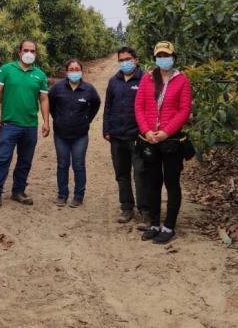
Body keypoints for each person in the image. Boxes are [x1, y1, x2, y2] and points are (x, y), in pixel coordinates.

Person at [0, 40, 50, 210]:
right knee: (2, 158)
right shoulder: (6, 69)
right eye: (26, 50)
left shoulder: (39, 74)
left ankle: (18, 191)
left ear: (36, 54)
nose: (29, 53)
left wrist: (46, 121)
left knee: (25, 161)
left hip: (30, 125)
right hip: (9, 124)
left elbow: (43, 98)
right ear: (19, 52)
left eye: (32, 51)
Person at [133, 41, 192, 244]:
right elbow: (139, 107)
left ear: (173, 57)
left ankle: (169, 226)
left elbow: (184, 110)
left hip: (171, 141)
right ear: (155, 58)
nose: (162, 58)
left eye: (166, 55)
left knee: (172, 183)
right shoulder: (147, 79)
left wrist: (166, 132)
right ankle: (155, 223)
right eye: (159, 55)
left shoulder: (181, 80)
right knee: (153, 183)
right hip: (149, 139)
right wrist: (147, 131)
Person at [103, 46, 149, 226]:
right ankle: (126, 207)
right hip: (117, 136)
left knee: (141, 174)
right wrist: (106, 129)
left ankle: (145, 210)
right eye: (121, 60)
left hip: (138, 137)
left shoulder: (145, 79)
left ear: (136, 60)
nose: (124, 62)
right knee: (121, 174)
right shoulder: (114, 81)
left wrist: (145, 132)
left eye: (128, 59)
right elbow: (108, 107)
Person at [48, 59, 101, 207]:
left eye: (77, 69)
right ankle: (62, 195)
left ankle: (78, 196)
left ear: (81, 71)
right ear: (66, 71)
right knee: (62, 164)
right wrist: (57, 118)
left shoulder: (88, 89)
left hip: (80, 135)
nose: (74, 71)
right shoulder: (57, 88)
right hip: (61, 134)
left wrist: (86, 119)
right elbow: (50, 104)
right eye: (71, 69)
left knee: (78, 165)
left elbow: (96, 104)